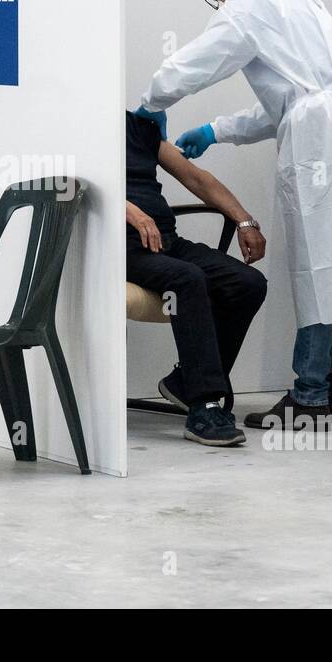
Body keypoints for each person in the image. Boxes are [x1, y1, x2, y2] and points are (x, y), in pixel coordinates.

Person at [135, 0, 332, 428]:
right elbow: (293, 99)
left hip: (320, 142)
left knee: (320, 268)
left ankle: (308, 398)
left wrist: (151, 101)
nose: (218, 5)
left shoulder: (247, 7)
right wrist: (217, 130)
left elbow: (196, 63)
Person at [125, 111, 268, 447]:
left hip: (165, 241)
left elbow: (195, 178)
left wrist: (244, 222)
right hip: (118, 248)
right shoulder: (76, 124)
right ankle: (204, 406)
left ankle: (185, 382)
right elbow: (70, 180)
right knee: (188, 278)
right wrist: (127, 209)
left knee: (247, 282)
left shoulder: (137, 126)